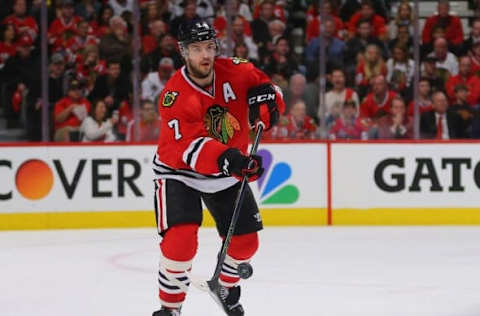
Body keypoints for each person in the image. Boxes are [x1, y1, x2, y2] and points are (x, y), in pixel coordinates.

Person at [151, 19, 284, 316]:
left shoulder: (238, 70)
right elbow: (190, 148)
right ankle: (169, 308)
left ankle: (223, 286)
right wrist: (232, 160)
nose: (205, 55)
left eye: (209, 47)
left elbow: (269, 89)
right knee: (180, 242)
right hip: (179, 171)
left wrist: (268, 106)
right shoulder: (175, 96)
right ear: (184, 52)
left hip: (226, 171)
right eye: (196, 49)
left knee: (247, 242)